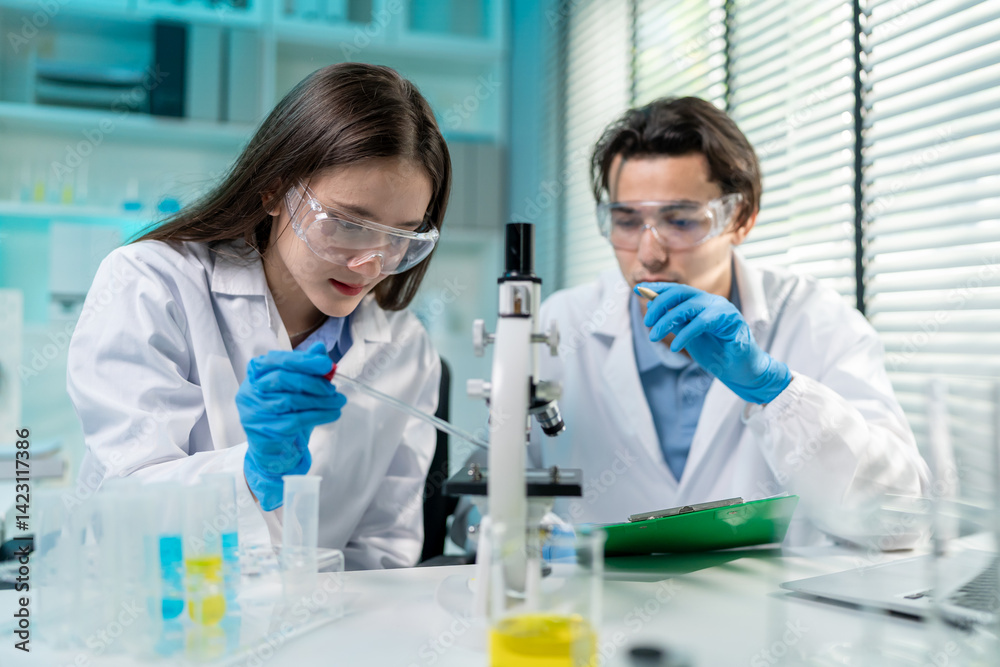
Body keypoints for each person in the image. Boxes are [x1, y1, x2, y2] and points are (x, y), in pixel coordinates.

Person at [456, 97, 930, 551]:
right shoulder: (562, 324)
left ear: (740, 217)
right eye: (625, 221)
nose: (649, 253)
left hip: (768, 623)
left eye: (680, 221)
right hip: (600, 616)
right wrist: (522, 539)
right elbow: (475, 511)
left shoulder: (818, 322)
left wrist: (775, 389)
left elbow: (900, 521)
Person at [67, 63, 450, 570]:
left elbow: (383, 551)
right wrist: (250, 474)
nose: (371, 263)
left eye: (400, 237)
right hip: (149, 627)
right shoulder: (150, 284)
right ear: (273, 189)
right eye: (348, 223)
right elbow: (126, 506)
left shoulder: (406, 348)